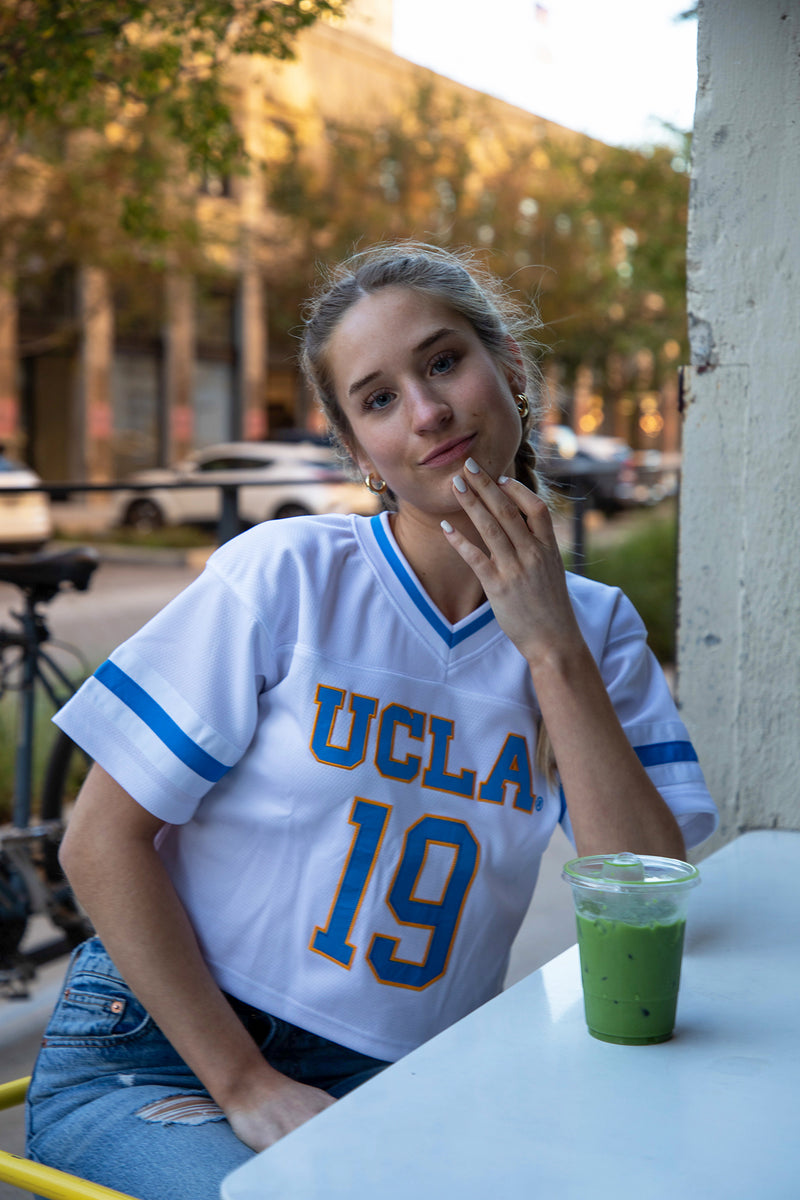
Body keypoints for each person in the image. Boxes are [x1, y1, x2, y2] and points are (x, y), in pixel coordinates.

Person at [26, 243, 718, 1199]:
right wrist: (246, 1083)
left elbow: (648, 890)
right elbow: (98, 842)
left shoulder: (597, 630)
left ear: (510, 367)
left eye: (442, 363)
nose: (427, 412)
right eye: (378, 398)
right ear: (357, 451)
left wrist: (552, 649)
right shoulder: (288, 575)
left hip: (412, 1079)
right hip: (167, 1054)